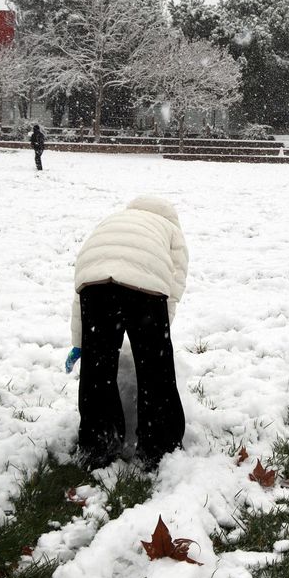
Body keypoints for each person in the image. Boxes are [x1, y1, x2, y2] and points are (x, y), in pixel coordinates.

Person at [67, 197, 189, 471]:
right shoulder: (171, 230)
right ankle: (160, 447)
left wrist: (80, 343)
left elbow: (80, 292)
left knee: (97, 369)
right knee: (155, 370)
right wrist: (158, 336)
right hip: (144, 289)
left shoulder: (113, 221)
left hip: (94, 285)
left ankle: (97, 446)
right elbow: (173, 284)